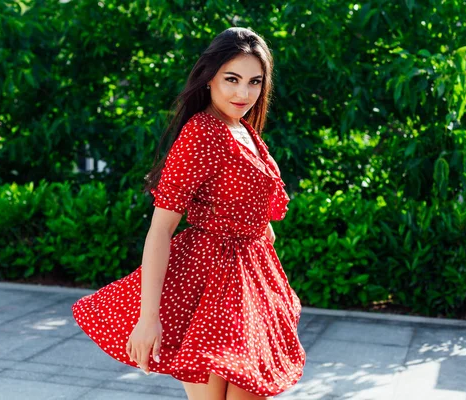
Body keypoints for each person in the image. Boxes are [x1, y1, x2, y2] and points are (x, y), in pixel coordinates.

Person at [72, 27, 306, 400]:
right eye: (232, 79)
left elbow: (256, 211)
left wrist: (261, 241)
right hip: (207, 283)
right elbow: (161, 229)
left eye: (254, 82)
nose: (243, 93)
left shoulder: (244, 130)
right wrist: (149, 318)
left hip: (249, 281)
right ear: (209, 76)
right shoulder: (201, 133)